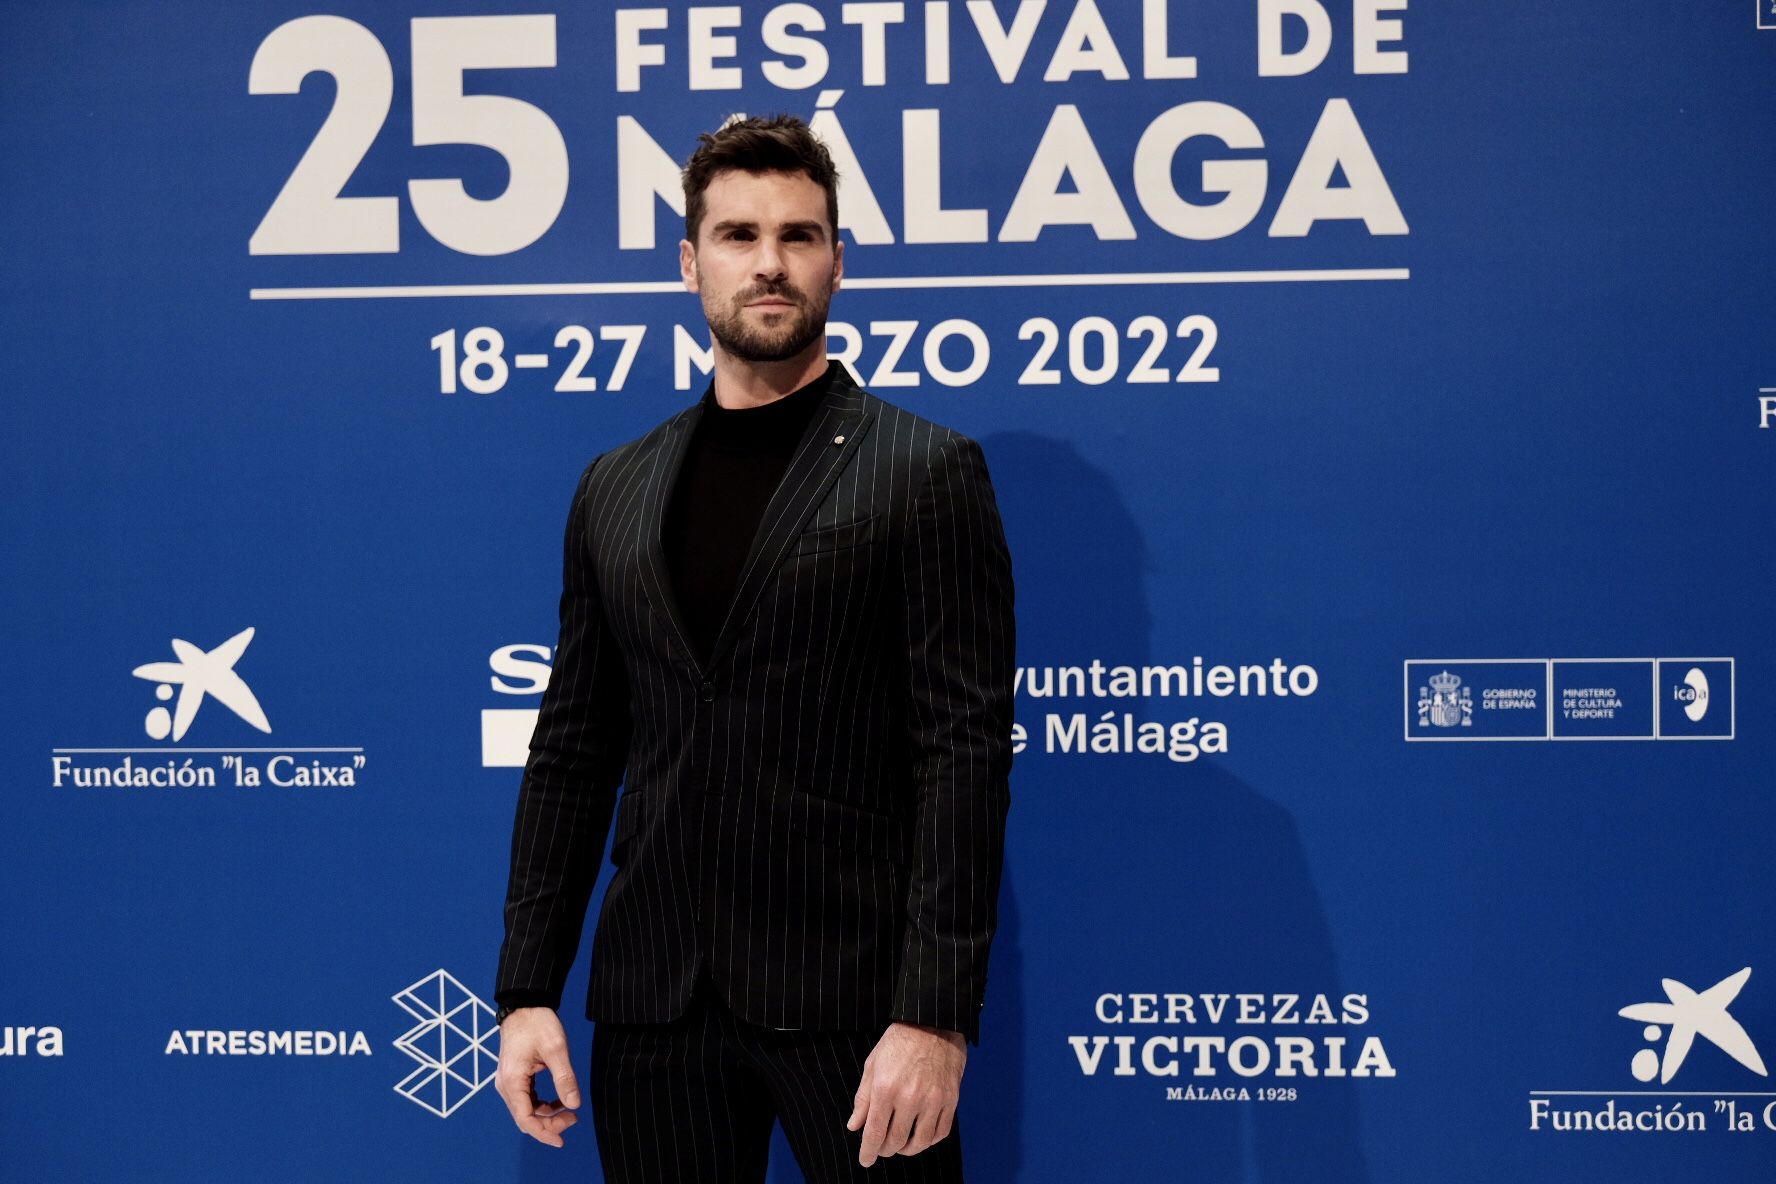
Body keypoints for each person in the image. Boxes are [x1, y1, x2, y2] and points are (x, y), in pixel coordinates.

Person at [491, 113, 1015, 1182]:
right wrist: (526, 987)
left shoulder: (923, 468)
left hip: (859, 1008)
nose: (769, 263)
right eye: (738, 235)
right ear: (692, 264)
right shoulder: (616, 484)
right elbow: (575, 747)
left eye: (799, 235)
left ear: (835, 259)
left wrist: (935, 1016)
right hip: (655, 1005)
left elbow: (962, 755)